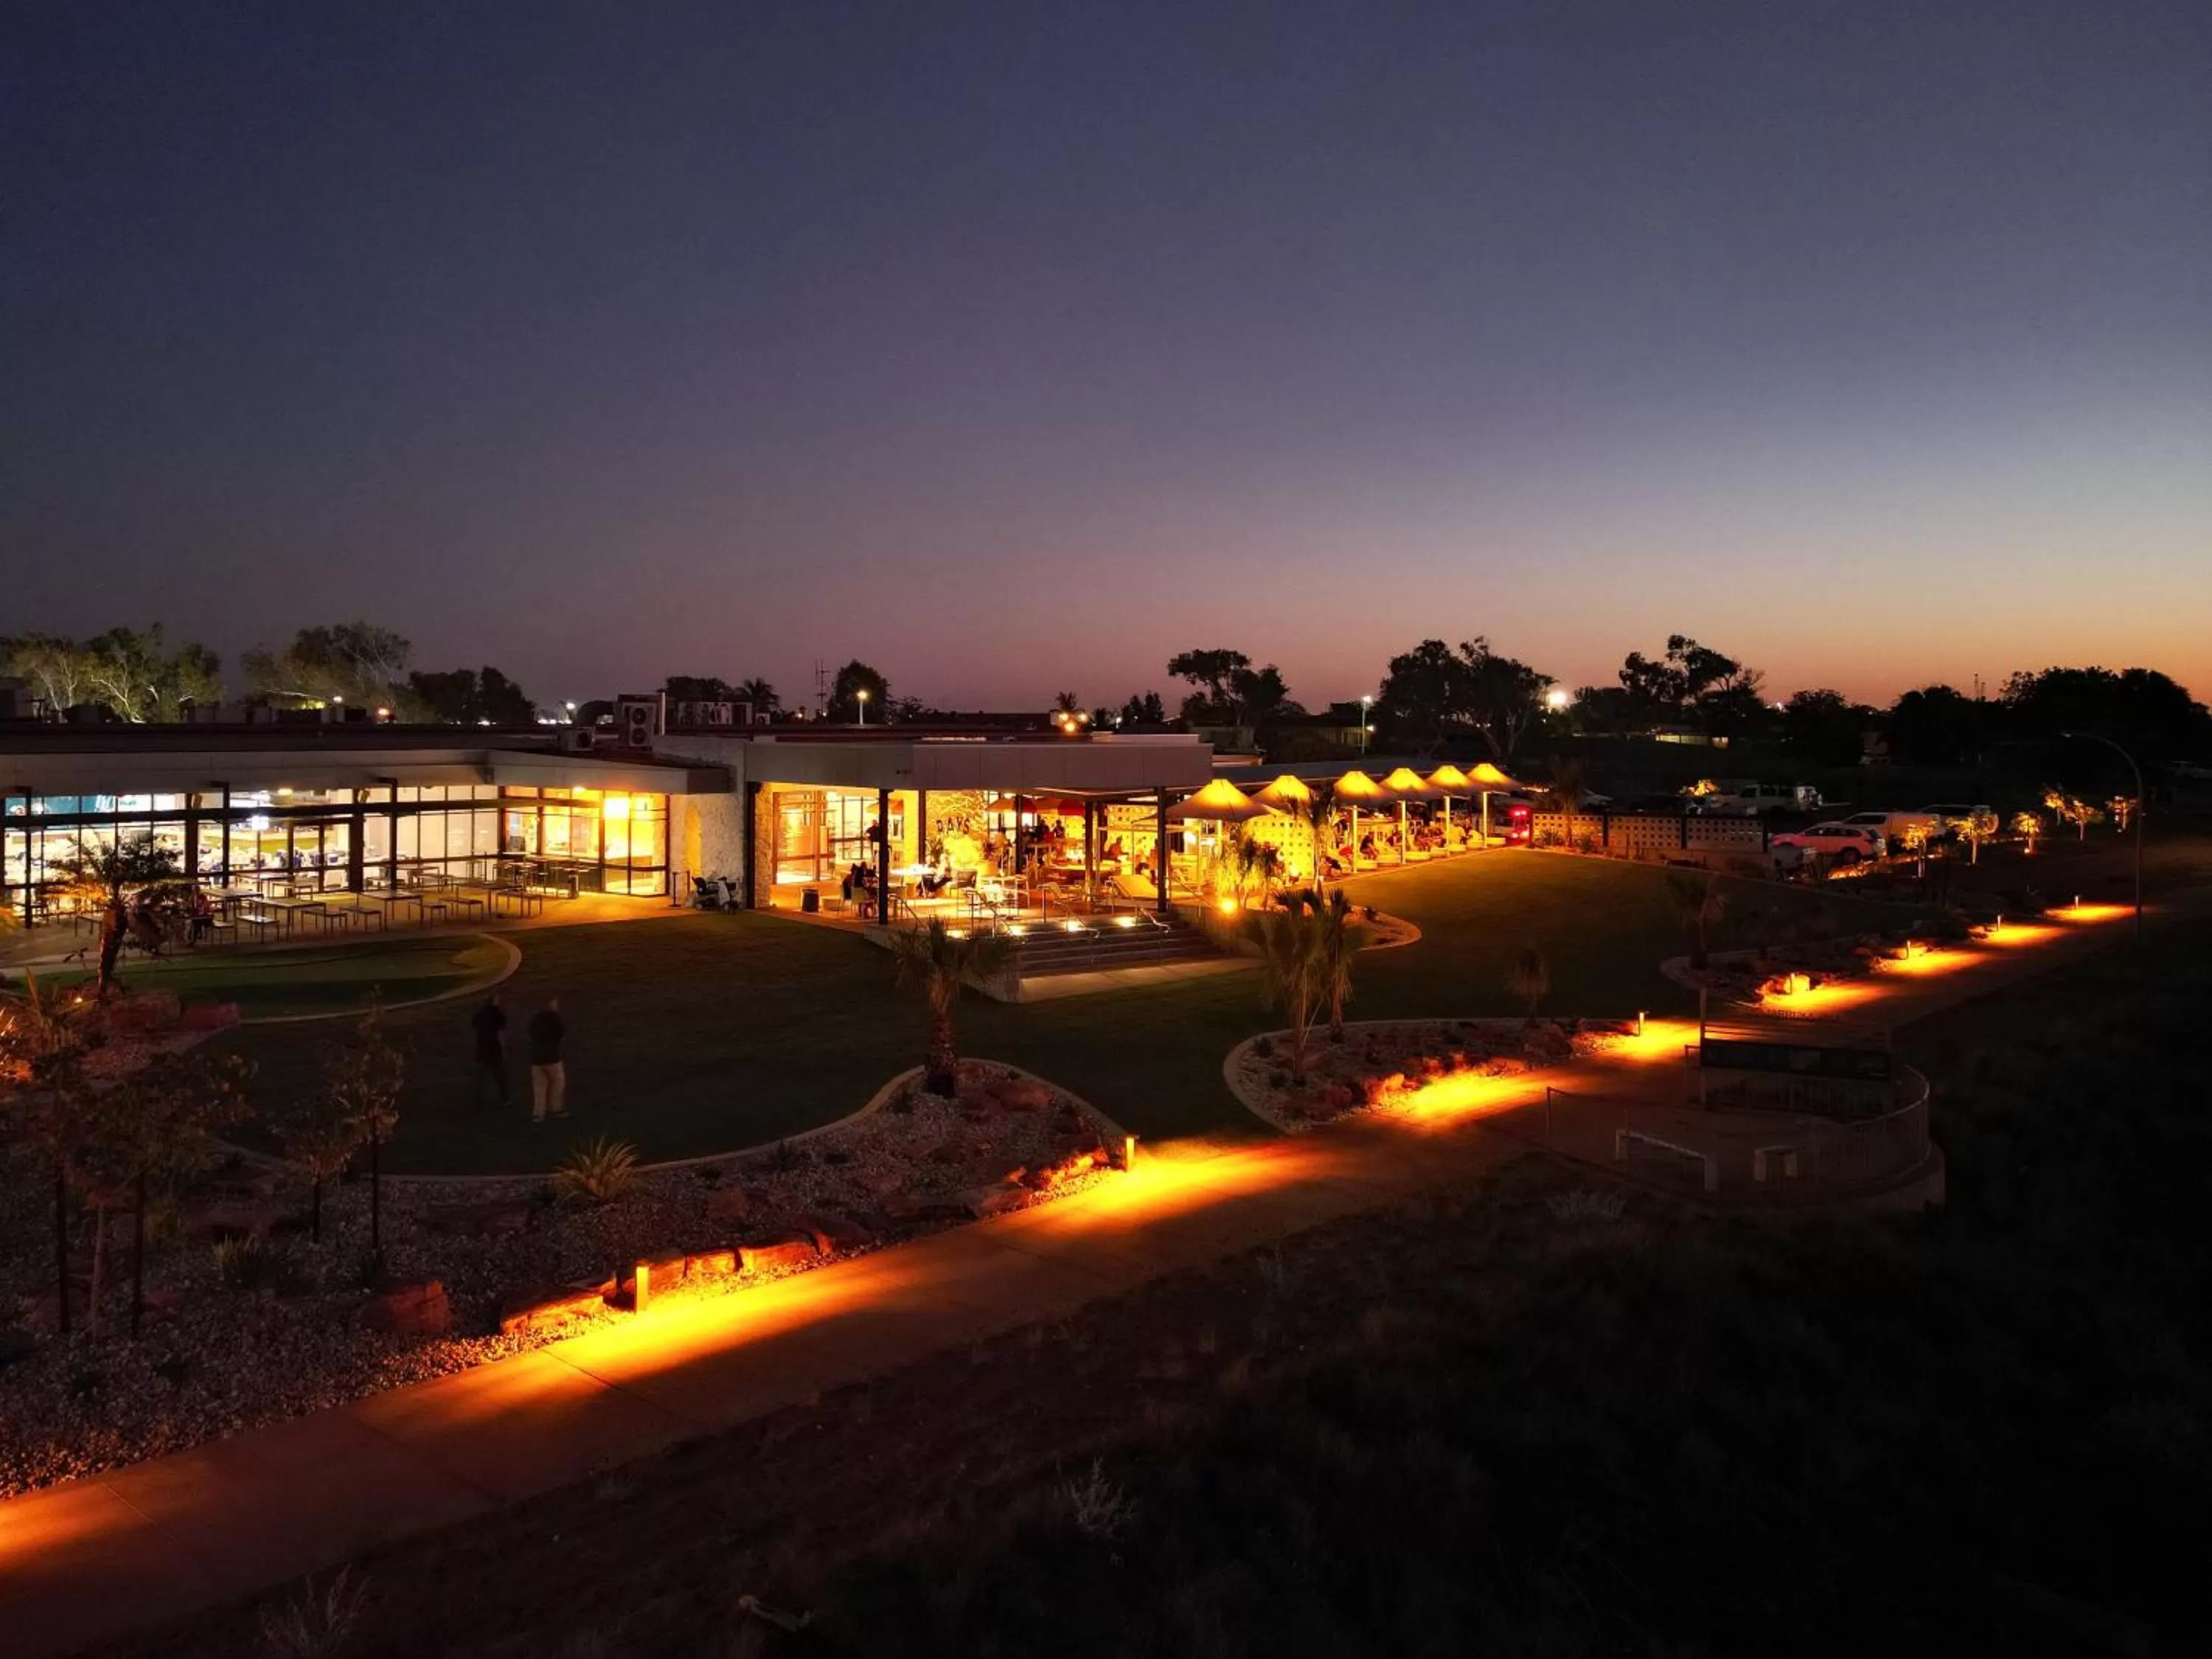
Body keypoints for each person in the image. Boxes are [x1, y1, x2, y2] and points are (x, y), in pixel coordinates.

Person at [527, 995, 568, 1124]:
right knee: (558, 1084)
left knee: (539, 1088)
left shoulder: (536, 1018)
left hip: (537, 1058)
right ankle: (556, 1109)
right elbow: (562, 1034)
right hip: (552, 1058)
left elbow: (530, 1033)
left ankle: (538, 1114)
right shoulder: (554, 1018)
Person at [470, 992, 509, 1110]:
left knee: (481, 1078)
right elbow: (501, 1032)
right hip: (494, 1049)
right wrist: (504, 1048)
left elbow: (475, 1027)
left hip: (482, 1049)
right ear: (495, 1001)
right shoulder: (498, 1014)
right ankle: (504, 1099)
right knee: (500, 1076)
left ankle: (479, 1101)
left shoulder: (479, 1014)